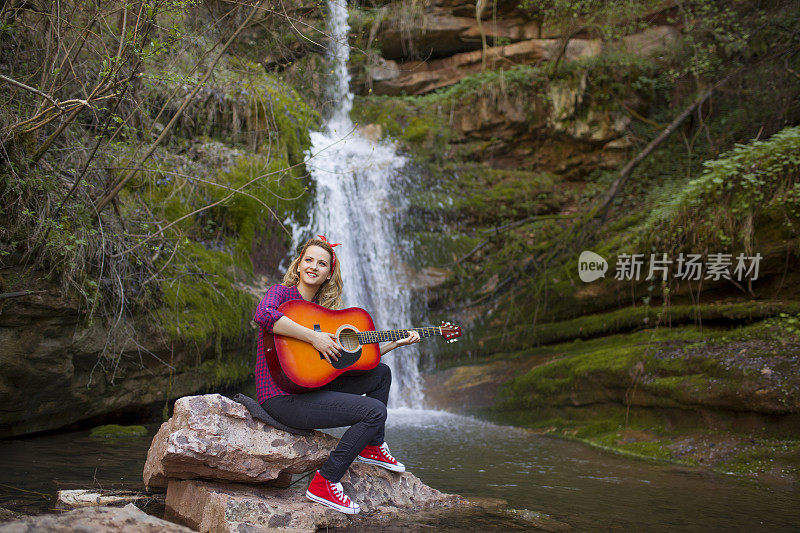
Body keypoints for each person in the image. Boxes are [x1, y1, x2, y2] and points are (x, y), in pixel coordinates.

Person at [253, 235, 420, 514]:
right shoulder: (280, 294)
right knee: (374, 411)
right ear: (298, 265)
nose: (313, 267)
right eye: (308, 260)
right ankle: (324, 482)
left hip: (310, 389)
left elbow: (350, 363)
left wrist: (393, 344)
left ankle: (372, 447)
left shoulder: (324, 312)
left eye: (322, 263)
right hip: (282, 397)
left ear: (329, 273)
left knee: (381, 373)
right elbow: (263, 314)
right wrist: (313, 338)